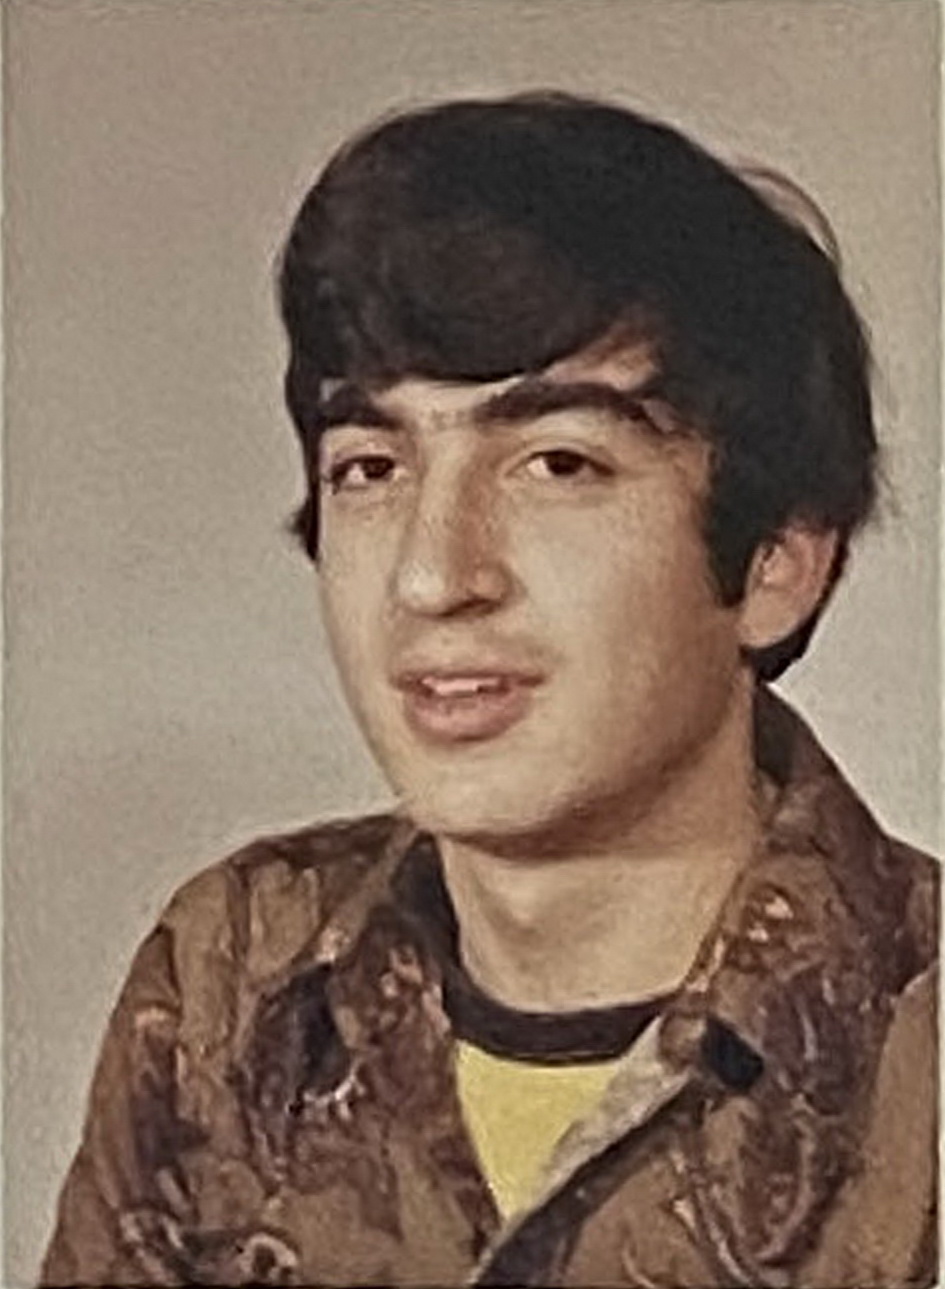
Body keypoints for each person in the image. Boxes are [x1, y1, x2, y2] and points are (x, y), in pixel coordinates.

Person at [41, 93, 937, 1288]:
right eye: (371, 466)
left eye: (557, 462)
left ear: (778, 562)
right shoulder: (232, 977)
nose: (432, 574)